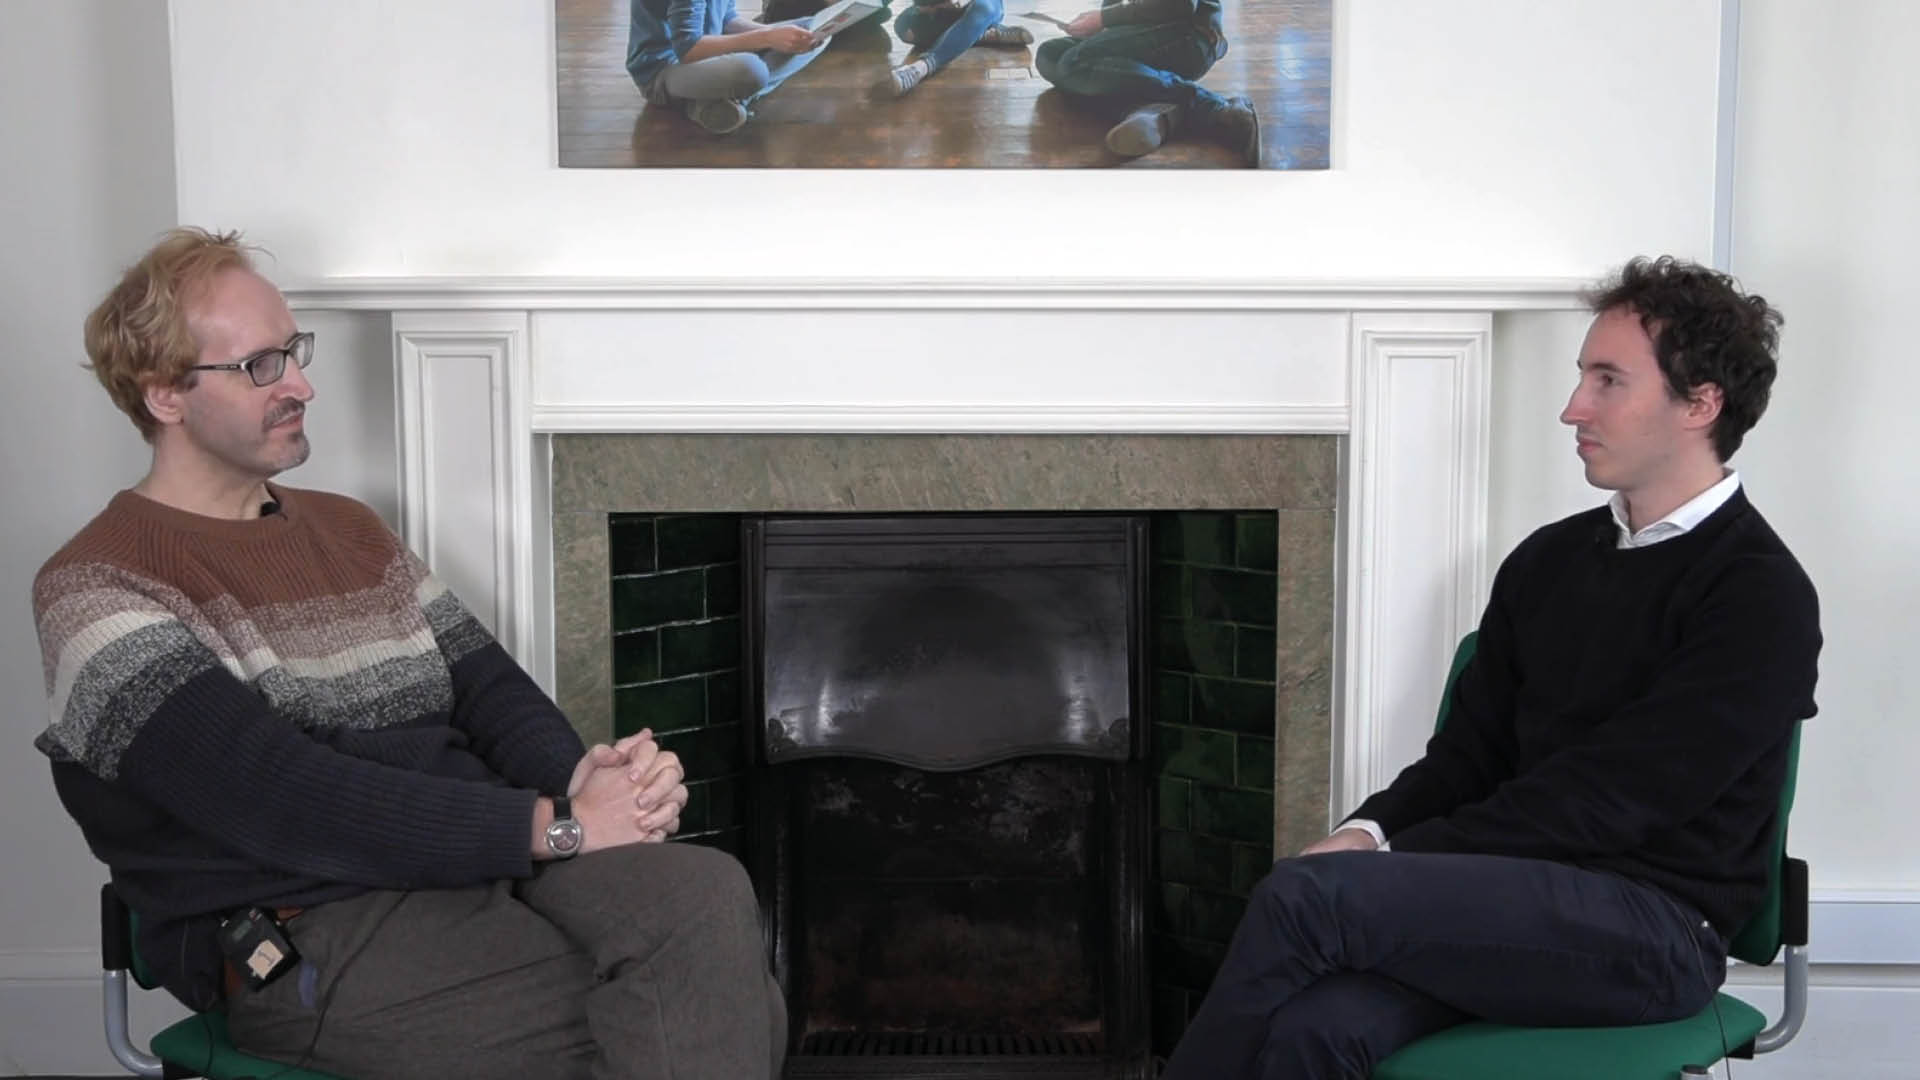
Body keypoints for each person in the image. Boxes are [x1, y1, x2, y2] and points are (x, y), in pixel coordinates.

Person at [33, 227, 786, 1079]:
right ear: (165, 394)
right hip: (310, 923)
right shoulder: (95, 588)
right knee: (702, 1008)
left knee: (704, 897)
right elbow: (288, 801)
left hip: (482, 866)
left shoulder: (349, 529)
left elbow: (488, 691)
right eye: (261, 367)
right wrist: (560, 827)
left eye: (295, 352)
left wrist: (587, 785)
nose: (303, 385)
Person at [1163, 256, 1821, 1079]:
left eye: (1608, 381)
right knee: (1318, 1029)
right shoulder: (1547, 562)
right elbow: (1465, 760)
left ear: (1701, 404)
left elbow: (1611, 803)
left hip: (1653, 935)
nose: (1572, 407)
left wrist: (1395, 863)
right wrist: (1366, 830)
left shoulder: (1760, 595)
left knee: (1305, 900)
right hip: (1508, 907)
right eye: (1582, 375)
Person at [1036, 0, 1259, 165]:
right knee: (1051, 54)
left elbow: (1180, 6)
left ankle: (1213, 106)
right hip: (1145, 27)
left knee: (1073, 65)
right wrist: (1104, 30)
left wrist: (1104, 18)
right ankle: (1152, 107)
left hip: (1189, 35)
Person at [627, 0, 830, 135]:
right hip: (663, 71)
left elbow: (728, 20)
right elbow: (688, 50)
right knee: (751, 70)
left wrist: (776, 34)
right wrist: (767, 38)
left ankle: (716, 102)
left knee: (816, 30)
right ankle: (718, 100)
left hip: (708, 54)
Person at [874, 0, 1033, 99]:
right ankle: (981, 34)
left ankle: (921, 68)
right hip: (936, 7)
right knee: (904, 27)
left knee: (983, 9)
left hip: (980, 4)